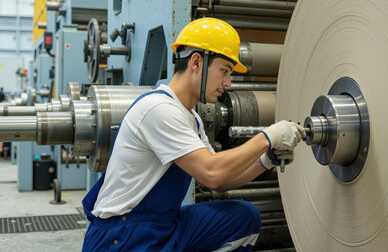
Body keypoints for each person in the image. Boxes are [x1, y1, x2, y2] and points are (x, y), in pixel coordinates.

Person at [81, 18, 305, 251]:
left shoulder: (192, 119)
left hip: (162, 224)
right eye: (224, 71)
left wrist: (265, 160)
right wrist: (267, 138)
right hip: (123, 236)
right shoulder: (159, 109)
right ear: (196, 62)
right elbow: (212, 172)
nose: (228, 82)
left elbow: (221, 182)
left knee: (243, 218)